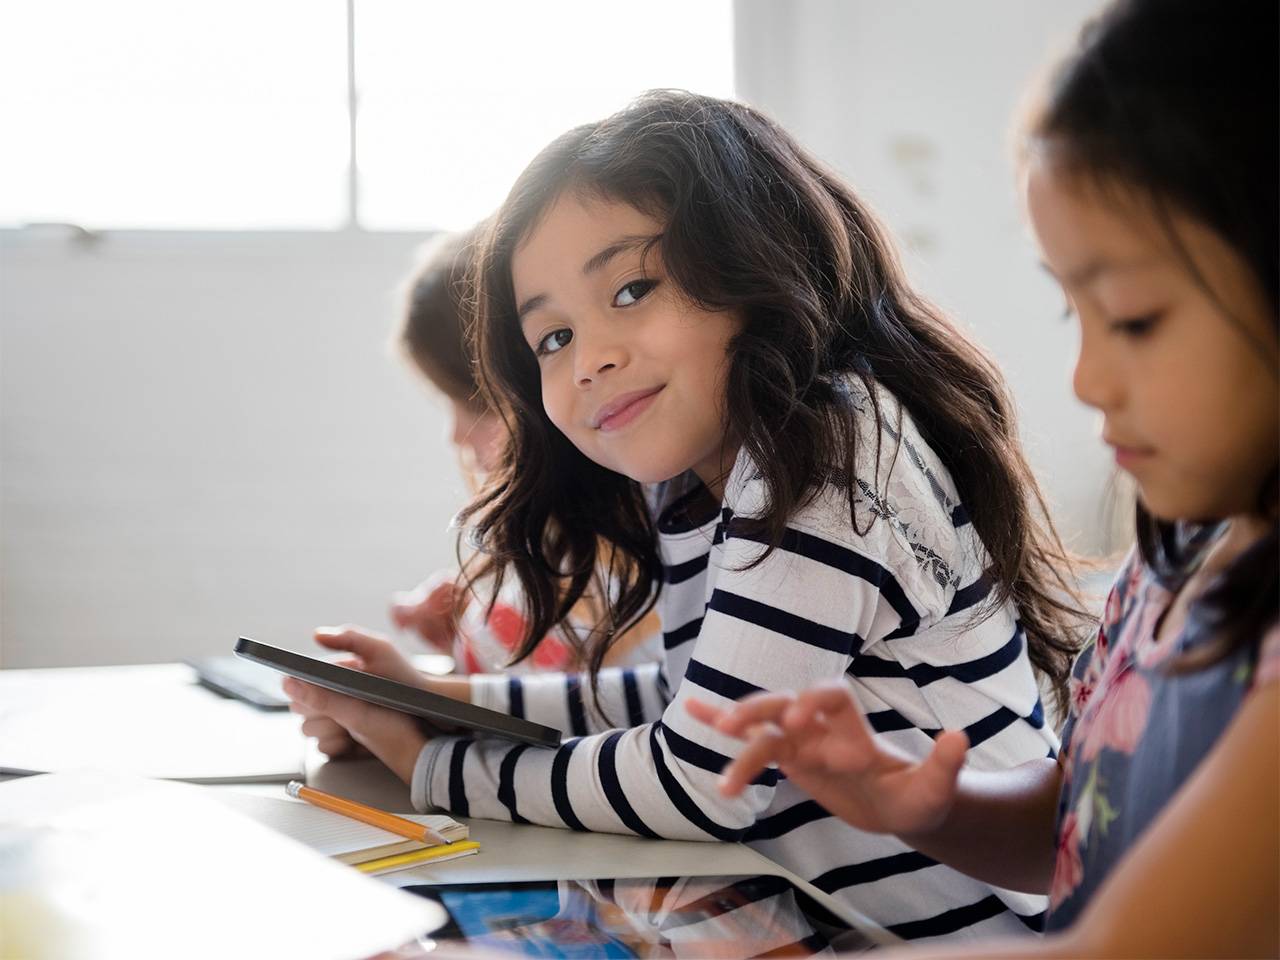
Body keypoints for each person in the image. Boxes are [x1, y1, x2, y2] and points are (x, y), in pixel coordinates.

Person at [284, 89, 1092, 941]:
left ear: (757, 264)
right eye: (552, 338)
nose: (590, 356)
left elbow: (701, 779)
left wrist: (432, 766)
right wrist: (439, 698)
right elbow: (688, 699)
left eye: (631, 289)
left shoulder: (826, 449)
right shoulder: (703, 477)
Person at [688, 1, 1279, 955]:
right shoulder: (1173, 559)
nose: (1087, 378)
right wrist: (921, 803)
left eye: (1132, 318)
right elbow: (1082, 821)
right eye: (1069, 313)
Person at [387, 226, 657, 674]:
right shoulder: (560, 554)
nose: (455, 436)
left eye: (468, 402)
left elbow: (540, 705)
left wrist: (421, 701)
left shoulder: (620, 577)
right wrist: (467, 620)